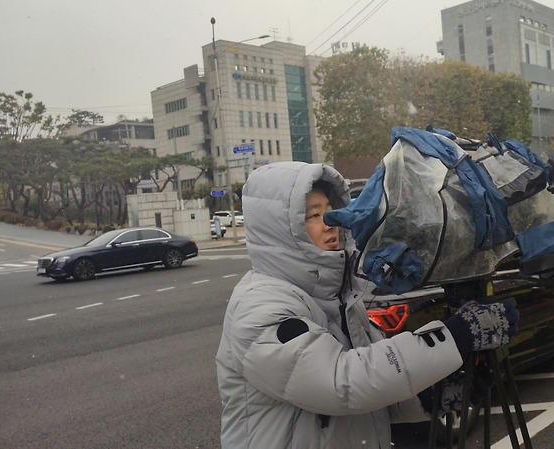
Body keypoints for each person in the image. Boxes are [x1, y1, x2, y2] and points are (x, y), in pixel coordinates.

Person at [216, 161, 518, 449]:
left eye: (332, 212)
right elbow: (341, 383)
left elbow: (370, 398)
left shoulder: (339, 297)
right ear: (281, 230)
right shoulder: (260, 307)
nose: (330, 224)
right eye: (313, 216)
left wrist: (433, 396)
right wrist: (453, 337)